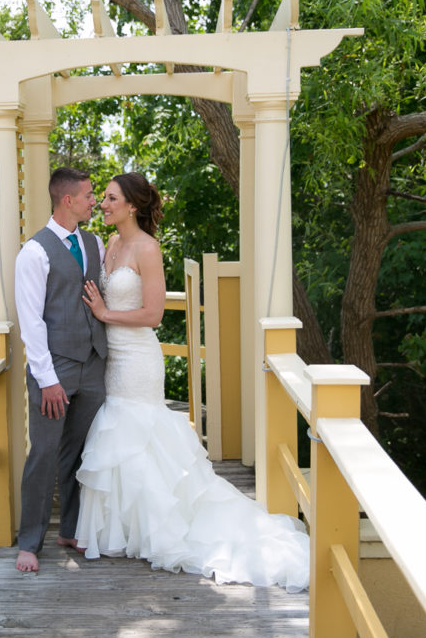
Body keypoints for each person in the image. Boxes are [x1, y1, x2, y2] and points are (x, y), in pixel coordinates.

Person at [75, 172, 310, 592]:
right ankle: (127, 530)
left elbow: (153, 314)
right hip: (111, 357)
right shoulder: (109, 243)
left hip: (138, 358)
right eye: (103, 198)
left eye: (110, 198)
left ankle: (164, 529)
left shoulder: (148, 249)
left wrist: (105, 314)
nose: (103, 205)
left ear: (132, 206)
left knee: (140, 433)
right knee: (120, 435)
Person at [13, 167, 107, 573]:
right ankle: (29, 543)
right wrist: (47, 380)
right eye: (88, 195)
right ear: (68, 200)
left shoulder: (94, 242)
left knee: (81, 450)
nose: (94, 201)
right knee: (44, 453)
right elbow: (31, 321)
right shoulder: (34, 253)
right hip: (54, 368)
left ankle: (70, 529)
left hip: (94, 365)